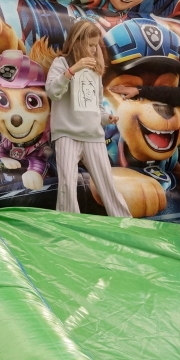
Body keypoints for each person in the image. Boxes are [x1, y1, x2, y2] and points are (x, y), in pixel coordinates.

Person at [46, 20, 132, 216]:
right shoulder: (61, 63)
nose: (94, 49)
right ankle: (69, 226)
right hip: (67, 134)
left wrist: (107, 117)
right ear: (77, 42)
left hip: (93, 135)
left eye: (96, 45)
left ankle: (125, 223)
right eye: (90, 45)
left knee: (107, 185)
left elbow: (96, 105)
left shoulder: (95, 70)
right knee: (67, 186)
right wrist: (71, 71)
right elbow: (52, 92)